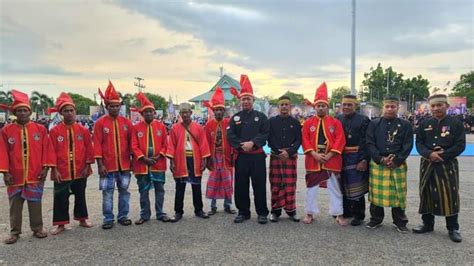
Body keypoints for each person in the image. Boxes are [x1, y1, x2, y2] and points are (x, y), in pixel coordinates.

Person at [0, 90, 55, 244]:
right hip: (15, 174)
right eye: (19, 110)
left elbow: (47, 150)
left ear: (30, 112)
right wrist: (5, 172)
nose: (22, 113)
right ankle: (15, 232)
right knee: (15, 205)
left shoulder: (40, 129)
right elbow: (2, 152)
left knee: (35, 202)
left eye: (25, 110)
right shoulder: (6, 131)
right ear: (15, 112)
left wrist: (45, 168)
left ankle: (37, 228)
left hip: (35, 172)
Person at [413, 94, 466, 242]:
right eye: (433, 106)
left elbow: (460, 145)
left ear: (447, 106)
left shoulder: (456, 124)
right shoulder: (424, 123)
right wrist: (429, 154)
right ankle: (427, 224)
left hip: (447, 164)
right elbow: (419, 144)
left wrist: (444, 155)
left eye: (439, 105)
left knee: (450, 194)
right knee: (426, 192)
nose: (436, 108)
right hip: (427, 163)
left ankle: (453, 228)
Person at [301, 82, 347, 226]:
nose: (321, 108)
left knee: (335, 187)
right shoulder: (308, 123)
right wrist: (314, 154)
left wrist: (330, 154)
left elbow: (340, 139)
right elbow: (305, 140)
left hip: (331, 159)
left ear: (327, 107)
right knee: (311, 188)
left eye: (323, 105)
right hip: (313, 159)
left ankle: (338, 214)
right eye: (318, 106)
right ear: (315, 107)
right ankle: (310, 213)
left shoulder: (335, 122)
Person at [49, 92, 94, 235]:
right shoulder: (55, 131)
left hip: (80, 169)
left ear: (75, 111)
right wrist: (54, 170)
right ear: (61, 113)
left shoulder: (84, 131)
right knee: (60, 197)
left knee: (80, 195)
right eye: (66, 111)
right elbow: (51, 152)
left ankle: (82, 219)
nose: (69, 113)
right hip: (62, 171)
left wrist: (88, 166)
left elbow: (89, 150)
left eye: (71, 110)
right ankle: (60, 224)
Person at [366, 96, 413, 233]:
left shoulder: (405, 125)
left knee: (398, 194)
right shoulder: (374, 124)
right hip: (379, 163)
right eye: (387, 106)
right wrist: (380, 159)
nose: (390, 109)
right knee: (376, 193)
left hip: (397, 164)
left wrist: (397, 160)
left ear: (398, 107)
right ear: (383, 107)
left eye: (393, 106)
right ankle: (375, 219)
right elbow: (369, 142)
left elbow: (408, 145)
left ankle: (400, 221)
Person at [227, 74, 270, 224]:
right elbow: (230, 135)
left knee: (259, 185)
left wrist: (252, 143)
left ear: (253, 100)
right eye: (243, 99)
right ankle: (243, 212)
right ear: (240, 101)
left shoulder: (261, 117)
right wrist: (241, 145)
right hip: (242, 157)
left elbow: (265, 133)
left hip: (257, 157)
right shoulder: (235, 118)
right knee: (241, 186)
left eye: (248, 99)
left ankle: (262, 213)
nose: (246, 101)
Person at [94, 81, 134, 229]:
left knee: (124, 192)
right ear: (107, 107)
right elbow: (97, 145)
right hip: (107, 166)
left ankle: (123, 216)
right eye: (112, 106)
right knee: (107, 193)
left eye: (117, 106)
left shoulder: (127, 123)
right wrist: (100, 164)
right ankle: (108, 218)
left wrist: (132, 162)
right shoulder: (100, 123)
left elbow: (132, 144)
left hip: (124, 165)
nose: (115, 108)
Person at [166, 103, 211, 222]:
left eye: (187, 112)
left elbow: (203, 145)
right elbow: (171, 146)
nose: (185, 115)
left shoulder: (198, 127)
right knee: (180, 187)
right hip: (180, 160)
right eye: (182, 113)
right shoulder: (175, 128)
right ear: (180, 114)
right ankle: (178, 212)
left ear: (191, 113)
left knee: (196, 186)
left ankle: (199, 210)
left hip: (195, 160)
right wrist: (171, 162)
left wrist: (204, 160)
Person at [131, 92, 171, 225]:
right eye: (146, 112)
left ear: (154, 113)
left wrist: (159, 155)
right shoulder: (136, 128)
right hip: (141, 165)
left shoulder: (161, 127)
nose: (148, 114)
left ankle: (160, 213)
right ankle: (145, 215)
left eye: (150, 112)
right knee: (143, 191)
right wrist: (143, 158)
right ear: (142, 114)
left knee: (160, 189)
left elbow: (166, 144)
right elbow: (134, 146)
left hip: (158, 163)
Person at [336, 95, 370, 226]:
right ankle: (346, 211)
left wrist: (363, 159)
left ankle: (359, 215)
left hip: (356, 156)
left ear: (355, 105)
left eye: (349, 104)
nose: (346, 107)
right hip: (340, 156)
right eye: (344, 104)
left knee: (357, 187)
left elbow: (366, 141)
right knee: (342, 185)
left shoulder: (363, 120)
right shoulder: (338, 119)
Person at [268, 95, 301, 222]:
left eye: (286, 104)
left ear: (290, 106)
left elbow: (299, 140)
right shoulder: (271, 122)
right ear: (278, 107)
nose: (284, 107)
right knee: (275, 184)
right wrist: (278, 151)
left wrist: (289, 152)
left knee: (290, 184)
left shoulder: (296, 122)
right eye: (282, 104)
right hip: (276, 156)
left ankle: (291, 211)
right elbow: (269, 139)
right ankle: (275, 212)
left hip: (290, 157)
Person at [203, 87, 236, 215]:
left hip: (226, 157)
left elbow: (233, 141)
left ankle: (228, 205)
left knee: (228, 181)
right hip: (214, 157)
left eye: (220, 110)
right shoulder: (208, 125)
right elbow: (205, 142)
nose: (218, 112)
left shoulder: (229, 123)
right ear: (213, 111)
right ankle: (213, 206)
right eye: (216, 110)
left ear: (224, 111)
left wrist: (233, 154)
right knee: (214, 181)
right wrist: (206, 158)